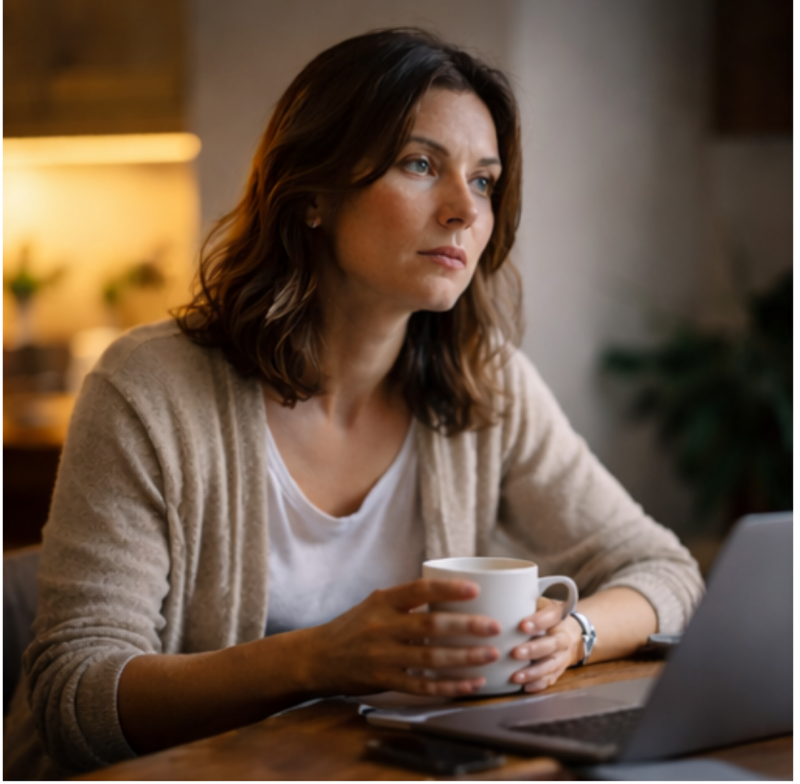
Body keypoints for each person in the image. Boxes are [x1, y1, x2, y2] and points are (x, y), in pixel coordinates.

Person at [2, 28, 703, 779]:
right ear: (311, 196)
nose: (463, 211)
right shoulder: (149, 390)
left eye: (483, 181)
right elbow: (75, 702)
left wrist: (575, 635)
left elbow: (664, 569)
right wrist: (316, 660)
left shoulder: (484, 381)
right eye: (420, 164)